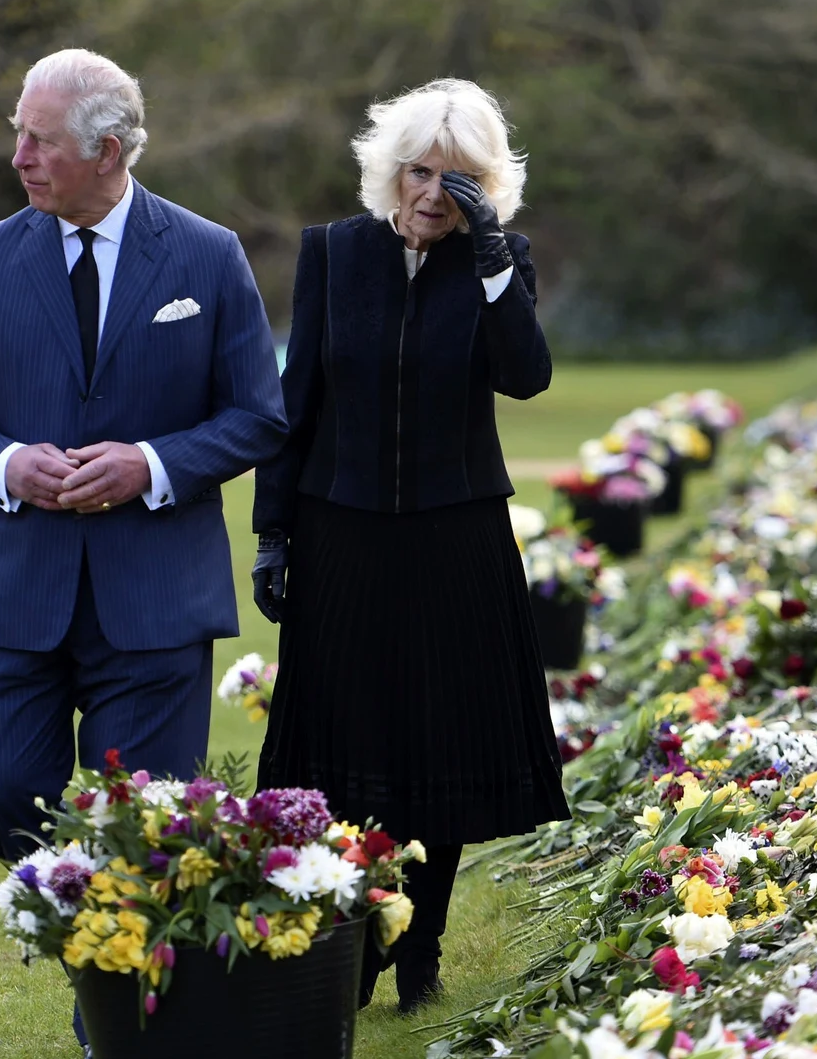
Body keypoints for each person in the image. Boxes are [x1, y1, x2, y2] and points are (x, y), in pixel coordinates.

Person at [0, 48, 285, 1053]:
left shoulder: (207, 256)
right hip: (18, 591)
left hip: (156, 599)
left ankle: (110, 1011)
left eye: (38, 141)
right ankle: (101, 938)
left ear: (107, 151)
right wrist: (4, 466)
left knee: (145, 829)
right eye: (17, 135)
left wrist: (152, 463)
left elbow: (260, 415)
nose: (19, 157)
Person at [250, 77, 571, 1014]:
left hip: (455, 536)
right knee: (341, 746)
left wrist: (495, 261)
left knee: (439, 745)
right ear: (391, 173)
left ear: (487, 190)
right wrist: (275, 532)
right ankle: (354, 940)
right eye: (421, 172)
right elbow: (295, 402)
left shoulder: (499, 265)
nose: (434, 193)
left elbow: (527, 377)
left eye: (458, 179)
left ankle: (421, 938)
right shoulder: (331, 255)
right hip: (341, 530)